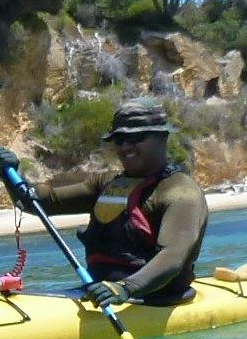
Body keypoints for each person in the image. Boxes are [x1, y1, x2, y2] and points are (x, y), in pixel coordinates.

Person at [38, 95, 210, 303]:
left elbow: (173, 256)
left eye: (136, 138)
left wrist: (126, 289)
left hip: (156, 300)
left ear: (162, 138)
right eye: (119, 140)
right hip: (101, 294)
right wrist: (10, 173)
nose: (125, 146)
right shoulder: (105, 183)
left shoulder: (181, 192)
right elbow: (43, 201)